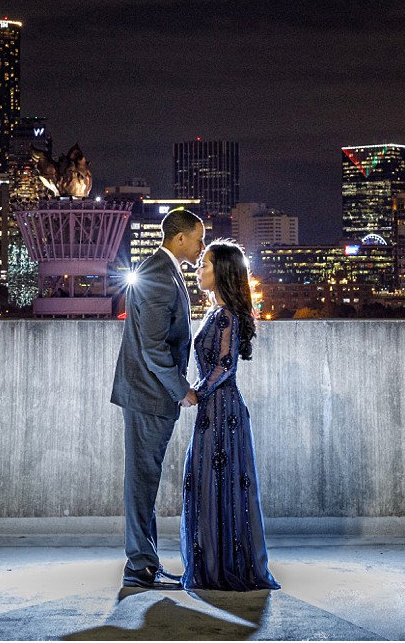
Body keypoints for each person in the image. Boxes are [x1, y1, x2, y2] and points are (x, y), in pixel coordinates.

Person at [110, 207, 205, 590]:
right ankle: (139, 567)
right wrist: (181, 389)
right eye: (198, 239)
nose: (202, 246)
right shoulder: (157, 274)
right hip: (148, 395)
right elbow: (152, 347)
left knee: (145, 480)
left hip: (148, 394)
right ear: (179, 238)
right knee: (141, 482)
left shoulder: (164, 271)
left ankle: (144, 563)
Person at [180, 240, 280, 592]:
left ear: (221, 271)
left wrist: (195, 393)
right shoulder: (218, 313)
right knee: (211, 484)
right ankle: (215, 564)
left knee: (214, 484)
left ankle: (220, 567)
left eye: (204, 264)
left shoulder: (226, 316)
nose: (198, 269)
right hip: (216, 410)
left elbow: (225, 366)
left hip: (222, 411)